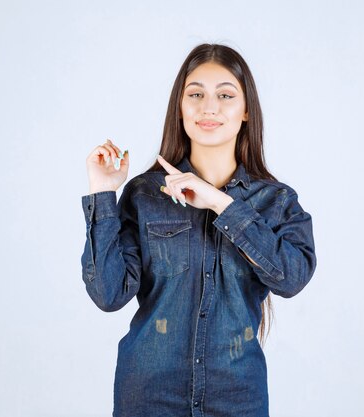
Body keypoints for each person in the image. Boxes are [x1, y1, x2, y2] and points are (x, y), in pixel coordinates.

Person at [80, 43, 317, 417]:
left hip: (237, 398)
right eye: (196, 94)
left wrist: (222, 204)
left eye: (225, 94)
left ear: (246, 112)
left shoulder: (276, 201)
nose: (209, 106)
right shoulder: (145, 194)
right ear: (180, 107)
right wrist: (102, 192)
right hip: (148, 398)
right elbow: (108, 294)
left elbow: (291, 278)